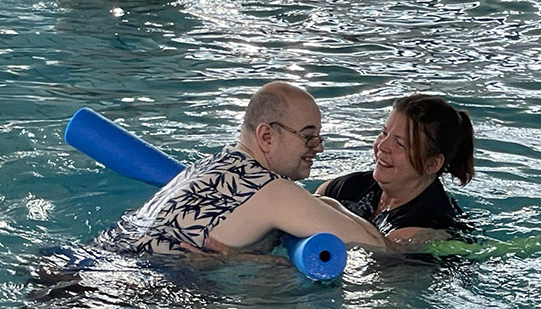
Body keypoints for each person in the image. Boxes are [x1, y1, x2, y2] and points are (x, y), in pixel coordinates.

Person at [92, 81, 386, 258]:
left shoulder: (206, 166)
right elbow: (377, 248)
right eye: (308, 136)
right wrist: (327, 203)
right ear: (267, 136)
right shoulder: (274, 191)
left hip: (90, 258)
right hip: (128, 287)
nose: (318, 147)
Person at [316, 94, 475, 245]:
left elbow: (382, 254)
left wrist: (330, 208)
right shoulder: (352, 187)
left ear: (432, 164)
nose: (382, 146)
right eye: (384, 133)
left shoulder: (427, 226)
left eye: (399, 144)